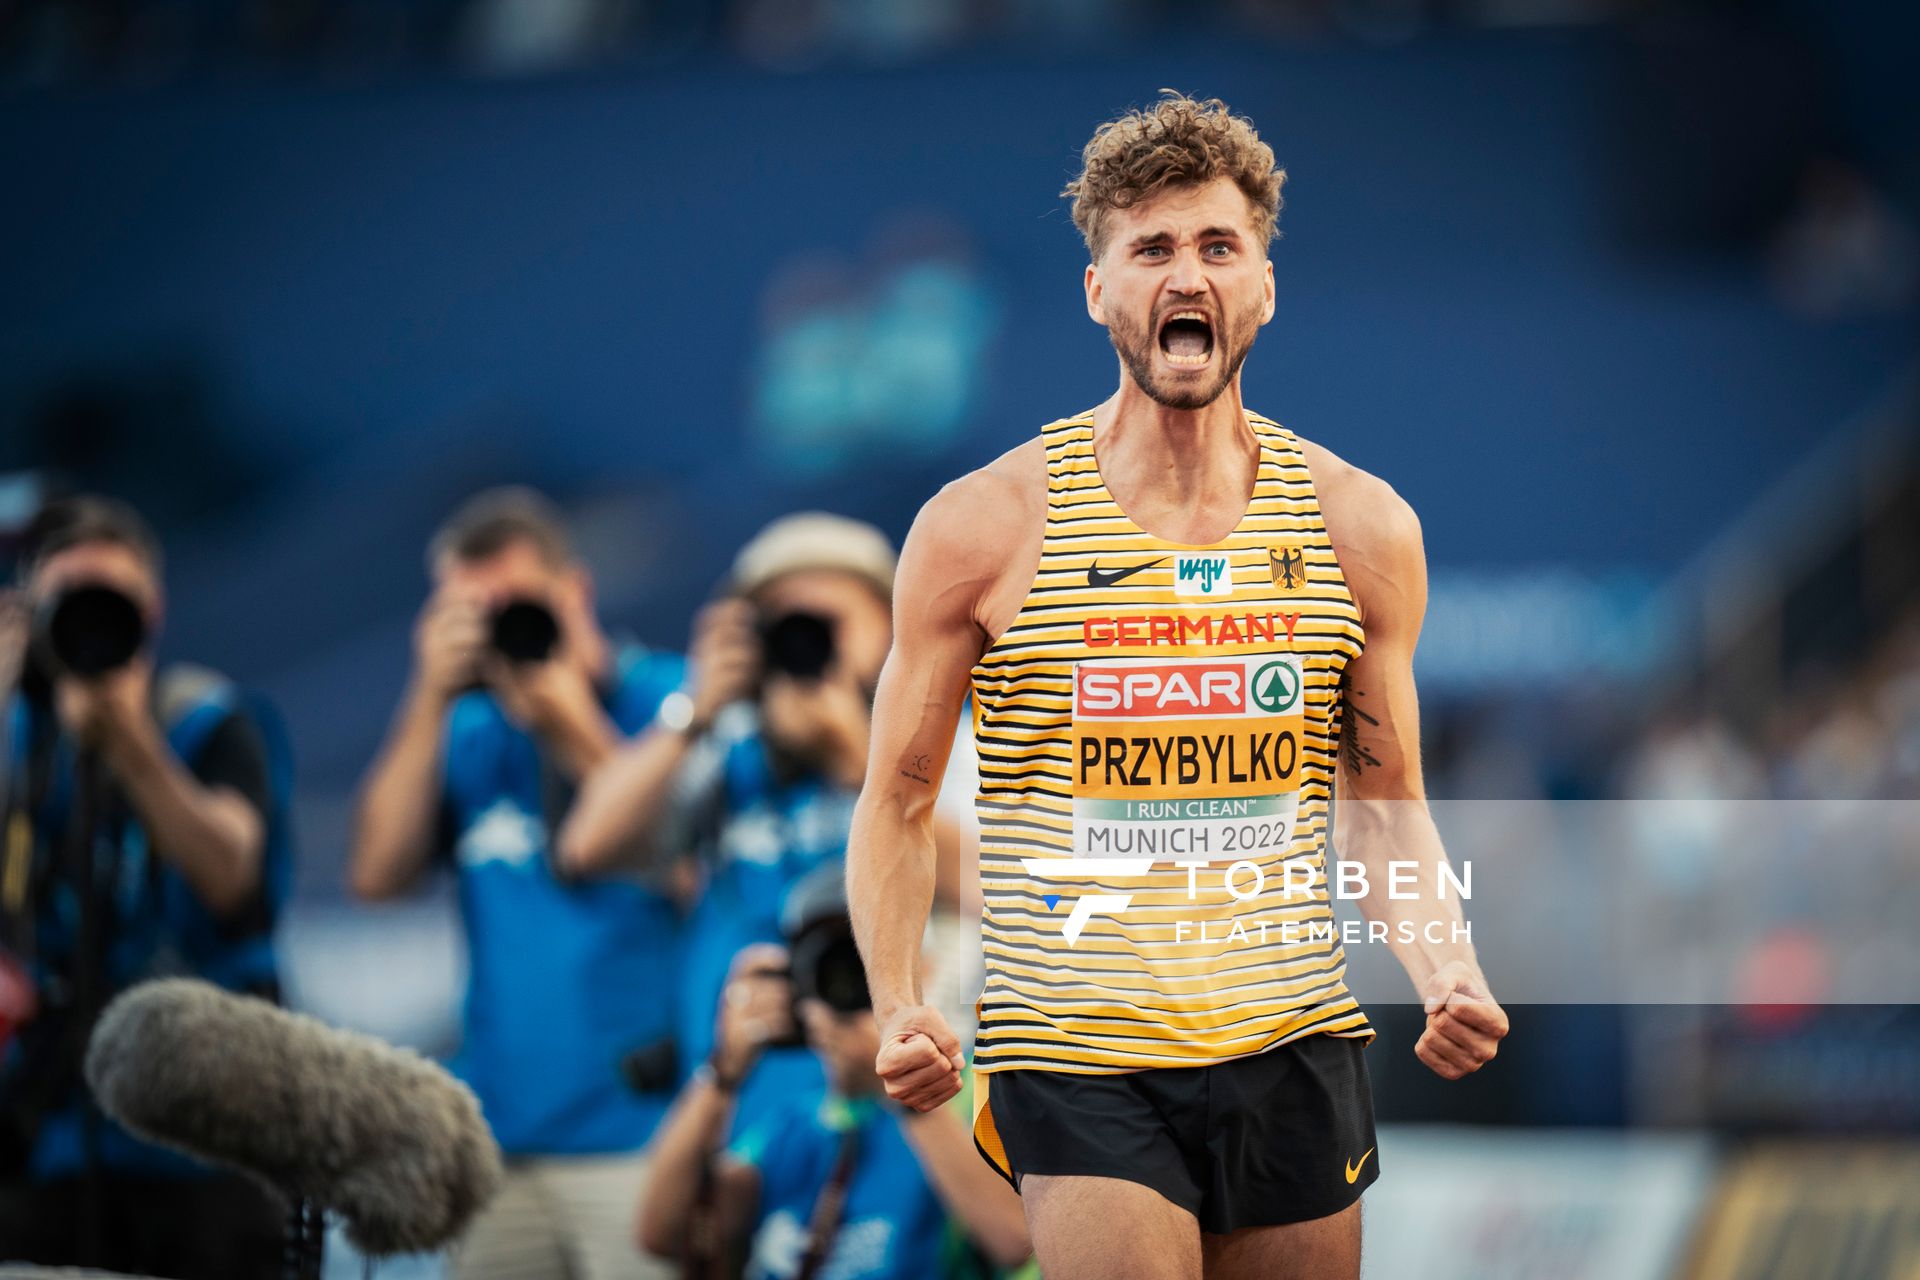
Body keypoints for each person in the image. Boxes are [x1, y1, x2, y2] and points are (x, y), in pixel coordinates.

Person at [845, 92, 1511, 1280]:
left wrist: (1444, 964)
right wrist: (899, 998)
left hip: (1294, 1037)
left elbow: (1386, 797)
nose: (1184, 273)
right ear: (1099, 290)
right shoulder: (984, 526)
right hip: (1075, 1046)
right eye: (1150, 248)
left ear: (1263, 283)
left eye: (1217, 245)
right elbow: (894, 800)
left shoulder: (1360, 528)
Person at [347, 487, 685, 1280]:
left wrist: (570, 724)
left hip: (643, 1136)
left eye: (516, 607)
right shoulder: (466, 731)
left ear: (577, 592)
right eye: (472, 614)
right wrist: (429, 693)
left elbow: (691, 871)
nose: (500, 631)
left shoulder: (671, 700)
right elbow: (376, 874)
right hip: (500, 1142)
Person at [561, 513, 940, 1130]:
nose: (803, 643)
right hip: (742, 1096)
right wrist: (697, 708)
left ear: (890, 622)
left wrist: (857, 758)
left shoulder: (937, 730)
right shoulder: (722, 745)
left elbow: (987, 880)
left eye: (826, 623)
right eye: (782, 624)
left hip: (894, 1101)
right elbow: (590, 847)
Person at [0, 496, 290, 1277]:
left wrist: (129, 742)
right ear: (33, 614)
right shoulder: (20, 738)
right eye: (69, 603)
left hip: (209, 1143)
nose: (91, 623)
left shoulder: (208, 721)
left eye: (112, 602)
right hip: (51, 1133)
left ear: (153, 610)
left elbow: (233, 877)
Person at [636, 863, 1032, 1280]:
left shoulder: (978, 1090)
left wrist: (906, 1075)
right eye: (833, 965)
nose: (854, 986)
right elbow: (664, 1234)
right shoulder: (797, 1126)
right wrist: (723, 1070)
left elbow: (1014, 1242)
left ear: (925, 970)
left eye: (872, 963)